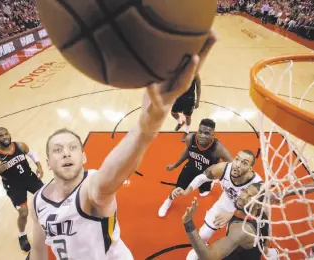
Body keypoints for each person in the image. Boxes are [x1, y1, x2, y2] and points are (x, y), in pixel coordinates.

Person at [29, 34, 218, 260]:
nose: (66, 153)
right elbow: (38, 251)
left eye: (73, 148)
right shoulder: (38, 201)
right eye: (57, 150)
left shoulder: (93, 187)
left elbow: (111, 174)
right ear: (47, 162)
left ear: (84, 157)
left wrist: (145, 129)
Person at [173, 150, 267, 258]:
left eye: (244, 163)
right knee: (203, 235)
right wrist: (186, 191)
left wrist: (233, 214)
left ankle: (270, 253)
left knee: (241, 243)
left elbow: (259, 208)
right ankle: (202, 248)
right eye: (237, 159)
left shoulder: (257, 185)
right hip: (225, 203)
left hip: (243, 213)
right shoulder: (223, 169)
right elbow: (201, 178)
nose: (237, 165)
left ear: (250, 168)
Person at [158, 118, 233, 217]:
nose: (202, 135)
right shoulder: (190, 138)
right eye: (200, 132)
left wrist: (218, 170)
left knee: (204, 193)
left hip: (206, 176)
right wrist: (175, 164)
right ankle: (168, 201)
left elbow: (232, 164)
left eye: (206, 133)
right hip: (190, 169)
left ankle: (209, 185)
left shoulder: (218, 148)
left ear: (213, 135)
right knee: (177, 189)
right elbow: (187, 152)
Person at [0, 127, 44, 252]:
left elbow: (32, 153)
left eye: (6, 134)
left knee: (47, 198)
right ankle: (22, 235)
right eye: (1, 135)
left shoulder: (20, 145)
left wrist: (39, 166)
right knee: (23, 213)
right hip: (14, 188)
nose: (5, 137)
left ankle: (51, 223)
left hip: (30, 178)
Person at [182, 183, 271, 260]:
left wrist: (188, 222)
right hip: (254, 250)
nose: (243, 197)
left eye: (250, 197)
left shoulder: (242, 230)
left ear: (259, 205)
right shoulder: (263, 213)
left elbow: (208, 257)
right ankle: (272, 253)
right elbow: (266, 241)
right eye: (245, 191)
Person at [171, 74, 201, 142]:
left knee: (188, 116)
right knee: (173, 113)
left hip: (189, 98)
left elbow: (198, 87)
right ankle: (180, 122)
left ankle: (186, 132)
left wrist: (198, 101)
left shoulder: (195, 73)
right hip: (180, 96)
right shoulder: (181, 70)